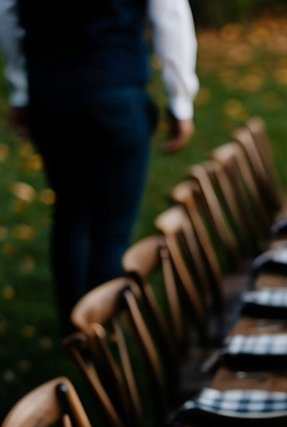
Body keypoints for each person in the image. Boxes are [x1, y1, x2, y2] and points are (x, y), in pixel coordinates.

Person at [0, 0, 198, 330]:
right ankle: (100, 337)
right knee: (111, 230)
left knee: (68, 215)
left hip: (51, 93)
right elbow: (170, 13)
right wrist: (180, 99)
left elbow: (8, 12)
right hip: (114, 89)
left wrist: (21, 88)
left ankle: (74, 331)